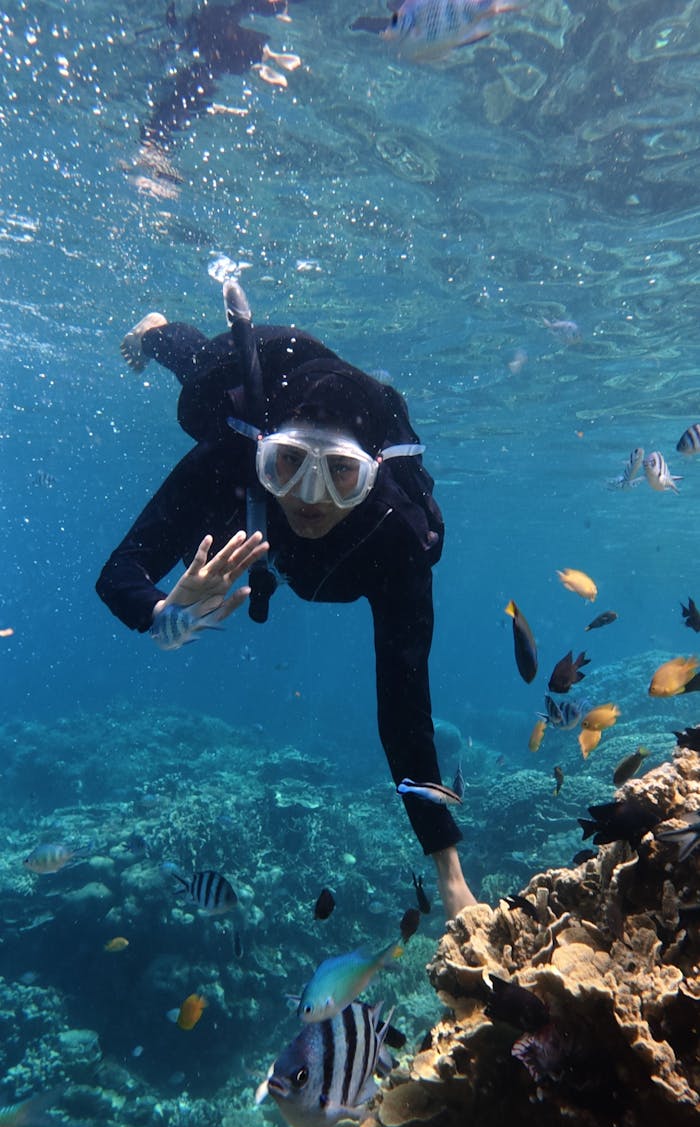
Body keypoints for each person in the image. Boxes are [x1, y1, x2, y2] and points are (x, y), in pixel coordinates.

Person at [96, 281, 476, 919]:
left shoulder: (398, 537)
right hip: (265, 360)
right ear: (262, 454)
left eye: (341, 473)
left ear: (373, 473)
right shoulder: (230, 460)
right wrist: (166, 614)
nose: (310, 496)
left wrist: (450, 875)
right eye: (288, 463)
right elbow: (119, 574)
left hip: (327, 407)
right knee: (198, 371)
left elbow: (406, 709)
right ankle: (157, 328)